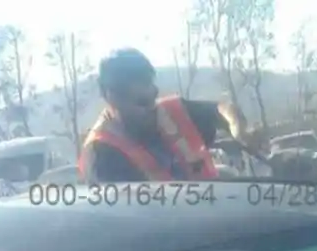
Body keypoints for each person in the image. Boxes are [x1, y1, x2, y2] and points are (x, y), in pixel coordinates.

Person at [80, 49, 247, 183]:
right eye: (142, 102)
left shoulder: (174, 112)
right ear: (111, 97)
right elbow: (125, 218)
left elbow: (221, 109)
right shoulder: (100, 155)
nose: (152, 107)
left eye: (151, 89)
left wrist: (236, 125)